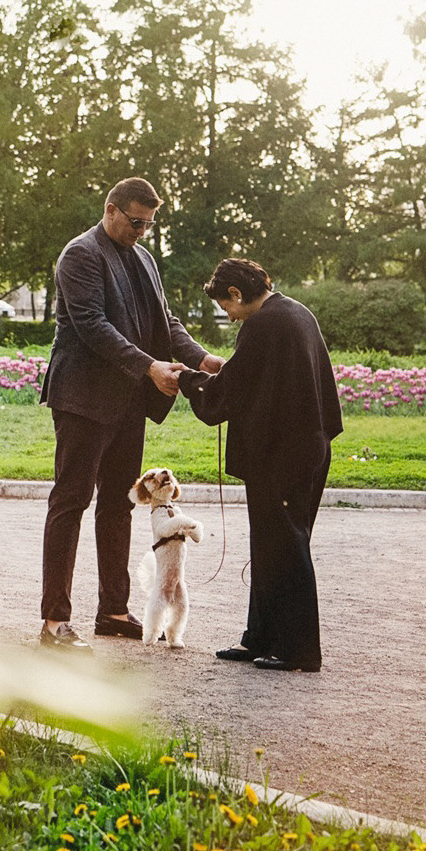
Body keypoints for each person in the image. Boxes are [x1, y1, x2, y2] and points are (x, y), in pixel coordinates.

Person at [37, 178, 223, 650]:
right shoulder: (80, 254)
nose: (141, 232)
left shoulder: (143, 257)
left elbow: (164, 321)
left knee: (119, 505)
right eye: (135, 221)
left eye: (149, 224)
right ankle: (55, 622)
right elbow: (93, 326)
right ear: (111, 210)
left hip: (127, 402)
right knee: (71, 501)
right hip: (82, 398)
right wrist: (149, 366)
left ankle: (113, 611)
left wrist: (203, 359)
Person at [176, 258, 342, 672]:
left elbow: (233, 388)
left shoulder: (263, 324)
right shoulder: (295, 312)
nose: (229, 317)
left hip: (283, 452)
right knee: (272, 544)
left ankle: (299, 650)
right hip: (304, 446)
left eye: (226, 307)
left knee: (285, 545)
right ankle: (262, 638)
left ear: (236, 294)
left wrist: (185, 381)